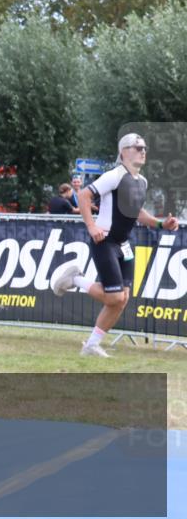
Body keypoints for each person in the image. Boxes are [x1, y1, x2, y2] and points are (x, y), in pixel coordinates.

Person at [51, 133, 179, 357]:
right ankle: (73, 279)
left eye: (144, 147)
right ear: (123, 152)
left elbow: (138, 213)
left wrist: (161, 224)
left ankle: (91, 345)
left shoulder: (142, 181)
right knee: (115, 297)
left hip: (123, 243)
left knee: (122, 299)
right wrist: (92, 227)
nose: (142, 150)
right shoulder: (115, 175)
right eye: (137, 147)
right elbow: (83, 196)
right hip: (105, 240)